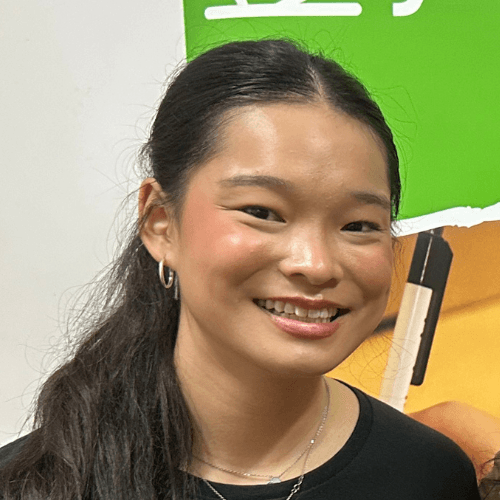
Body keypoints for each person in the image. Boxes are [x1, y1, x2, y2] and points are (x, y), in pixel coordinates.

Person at [0, 39, 480, 499]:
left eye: (358, 225)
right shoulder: (34, 483)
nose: (315, 264)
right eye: (262, 212)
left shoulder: (431, 475)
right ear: (161, 222)